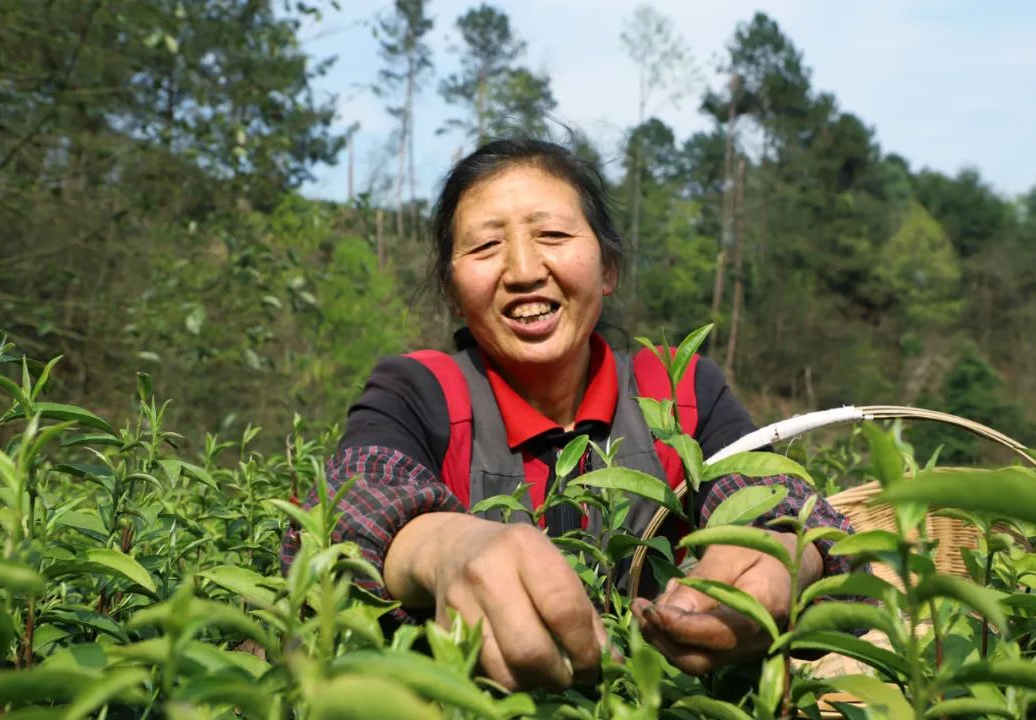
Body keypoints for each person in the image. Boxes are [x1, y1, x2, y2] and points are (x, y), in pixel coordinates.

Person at [281, 138, 855, 691]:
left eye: (553, 235)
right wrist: (444, 548)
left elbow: (778, 497)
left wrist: (784, 553)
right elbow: (348, 512)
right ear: (453, 292)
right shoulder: (418, 390)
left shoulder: (680, 389)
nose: (524, 269)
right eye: (485, 248)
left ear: (607, 269)